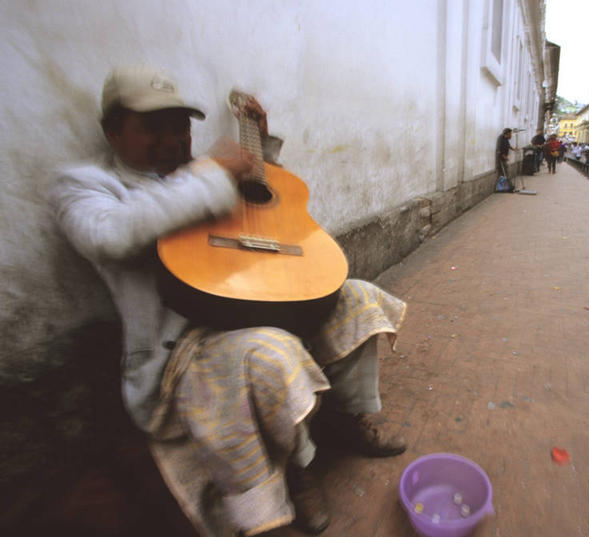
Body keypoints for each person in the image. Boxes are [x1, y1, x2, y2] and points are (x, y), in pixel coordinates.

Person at [50, 66, 408, 537]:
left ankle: (344, 418)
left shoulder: (199, 172)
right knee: (272, 354)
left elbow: (267, 200)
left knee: (359, 297)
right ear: (113, 130)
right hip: (180, 349)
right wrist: (212, 173)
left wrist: (258, 147)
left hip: (260, 301)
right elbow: (110, 235)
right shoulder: (86, 185)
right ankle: (279, 496)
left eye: (179, 126)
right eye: (152, 127)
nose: (171, 139)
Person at [496, 127, 517, 191]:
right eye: (510, 134)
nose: (511, 135)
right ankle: (507, 187)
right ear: (507, 134)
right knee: (504, 173)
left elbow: (508, 145)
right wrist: (504, 156)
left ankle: (507, 186)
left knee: (505, 172)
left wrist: (514, 149)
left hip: (504, 158)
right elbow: (499, 149)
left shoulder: (506, 138)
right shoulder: (501, 138)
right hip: (501, 158)